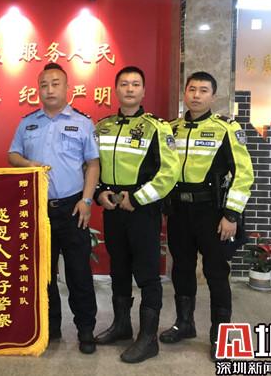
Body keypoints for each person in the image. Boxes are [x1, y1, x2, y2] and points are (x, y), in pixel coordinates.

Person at [159, 71, 254, 360]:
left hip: (212, 215)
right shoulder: (170, 129)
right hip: (180, 213)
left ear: (213, 96)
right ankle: (184, 323)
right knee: (182, 269)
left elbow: (244, 174)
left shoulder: (226, 128)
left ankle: (220, 336)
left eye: (203, 90)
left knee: (216, 273)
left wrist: (231, 215)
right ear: (185, 93)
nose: (196, 95)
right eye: (192, 89)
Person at [8, 62, 100, 354]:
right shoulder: (28, 123)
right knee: (42, 273)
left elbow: (93, 164)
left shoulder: (83, 123)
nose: (49, 90)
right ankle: (50, 327)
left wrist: (87, 201)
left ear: (67, 88)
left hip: (73, 208)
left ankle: (86, 330)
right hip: (37, 209)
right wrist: (27, 163)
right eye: (44, 85)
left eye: (55, 84)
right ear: (38, 89)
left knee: (78, 273)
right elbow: (12, 155)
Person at [93, 66, 180, 363]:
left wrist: (139, 198)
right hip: (113, 210)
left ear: (143, 91)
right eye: (124, 84)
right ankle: (121, 326)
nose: (129, 89)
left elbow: (169, 173)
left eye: (135, 84)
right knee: (118, 268)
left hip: (142, 211)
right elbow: (92, 165)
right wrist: (99, 193)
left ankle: (148, 338)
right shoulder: (102, 127)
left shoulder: (157, 127)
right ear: (115, 90)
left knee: (146, 273)